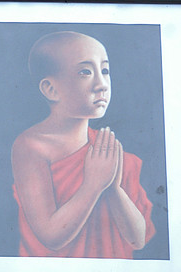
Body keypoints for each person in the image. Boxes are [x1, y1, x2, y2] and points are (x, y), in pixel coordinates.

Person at [11, 30, 156, 258]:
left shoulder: (106, 149)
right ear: (50, 89)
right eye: (85, 72)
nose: (102, 84)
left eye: (105, 70)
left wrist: (114, 188)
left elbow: (138, 239)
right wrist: (94, 184)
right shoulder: (31, 146)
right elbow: (51, 236)